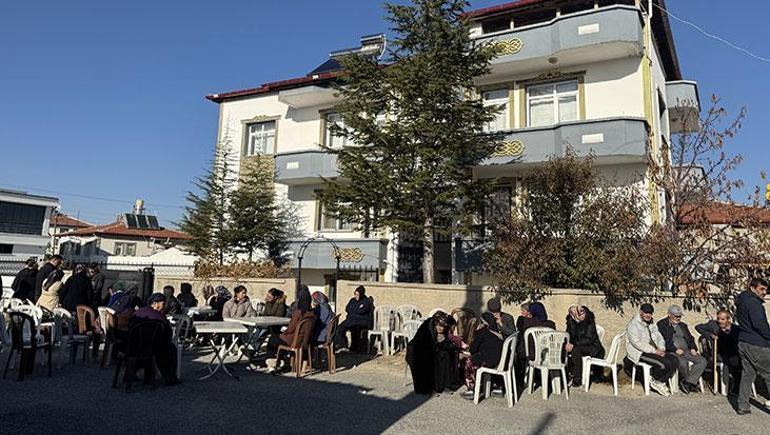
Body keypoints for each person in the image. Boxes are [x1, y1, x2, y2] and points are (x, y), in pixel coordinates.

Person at [735, 277, 770, 415]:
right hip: (756, 344)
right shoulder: (753, 302)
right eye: (761, 289)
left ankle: (743, 406)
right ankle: (743, 405)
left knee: (748, 375)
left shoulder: (742, 300)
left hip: (743, 342)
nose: (764, 292)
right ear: (752, 288)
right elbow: (759, 324)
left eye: (766, 289)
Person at [626, 303, 678, 396]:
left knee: (674, 360)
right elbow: (637, 343)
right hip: (639, 352)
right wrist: (654, 351)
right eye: (646, 313)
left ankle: (659, 381)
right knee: (664, 363)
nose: (648, 315)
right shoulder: (633, 324)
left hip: (655, 350)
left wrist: (661, 348)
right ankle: (656, 381)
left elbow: (659, 337)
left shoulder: (652, 323)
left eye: (650, 313)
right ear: (641, 312)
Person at [129, 293, 180, 386]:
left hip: (132, 347)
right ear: (156, 303)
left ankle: (130, 375)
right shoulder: (160, 317)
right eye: (163, 304)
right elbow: (168, 334)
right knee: (169, 348)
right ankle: (170, 378)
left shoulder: (137, 313)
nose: (164, 307)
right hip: (153, 349)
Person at [406, 311, 461, 395]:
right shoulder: (427, 328)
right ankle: (431, 387)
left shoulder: (443, 329)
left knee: (446, 355)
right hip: (417, 351)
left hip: (432, 349)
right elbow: (425, 345)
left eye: (443, 327)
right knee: (432, 359)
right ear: (436, 323)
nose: (441, 328)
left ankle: (444, 385)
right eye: (439, 326)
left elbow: (443, 343)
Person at [656, 305, 707, 394]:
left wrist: (693, 348)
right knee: (683, 362)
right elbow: (662, 340)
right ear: (669, 314)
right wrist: (674, 349)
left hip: (686, 351)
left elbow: (690, 338)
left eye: (680, 316)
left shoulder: (683, 325)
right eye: (676, 316)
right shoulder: (662, 324)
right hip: (671, 351)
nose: (678, 318)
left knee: (702, 361)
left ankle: (688, 382)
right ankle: (689, 383)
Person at [265, 286, 316, 372]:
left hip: (293, 340)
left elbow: (291, 329)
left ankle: (272, 363)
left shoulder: (298, 313)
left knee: (272, 340)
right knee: (278, 340)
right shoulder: (312, 314)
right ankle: (279, 360)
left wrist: (284, 331)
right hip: (303, 341)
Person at [695, 310, 741, 395]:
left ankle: (737, 386)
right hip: (718, 353)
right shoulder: (713, 324)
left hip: (732, 353)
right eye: (718, 319)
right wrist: (710, 335)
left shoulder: (735, 329)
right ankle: (728, 387)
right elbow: (698, 327)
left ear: (728, 319)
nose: (720, 321)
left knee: (738, 362)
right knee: (729, 361)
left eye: (722, 319)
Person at [463, 312, 504, 394]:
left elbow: (473, 350)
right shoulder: (498, 332)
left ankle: (471, 389)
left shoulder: (481, 332)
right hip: (500, 361)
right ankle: (498, 386)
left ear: (482, 322)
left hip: (489, 361)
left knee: (469, 361)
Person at [565, 305, 605, 387]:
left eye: (583, 312)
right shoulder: (571, 321)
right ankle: (562, 374)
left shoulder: (589, 321)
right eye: (578, 313)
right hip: (578, 345)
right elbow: (568, 335)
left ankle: (577, 379)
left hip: (592, 346)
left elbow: (589, 339)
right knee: (563, 348)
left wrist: (573, 345)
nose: (582, 315)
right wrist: (567, 343)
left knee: (576, 350)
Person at [336, 285, 374, 352]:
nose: (356, 296)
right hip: (350, 320)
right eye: (355, 294)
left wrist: (353, 310)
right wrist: (356, 309)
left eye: (358, 295)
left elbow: (361, 311)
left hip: (361, 321)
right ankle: (343, 345)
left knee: (355, 329)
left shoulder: (366, 302)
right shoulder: (352, 300)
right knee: (340, 329)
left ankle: (354, 348)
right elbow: (347, 309)